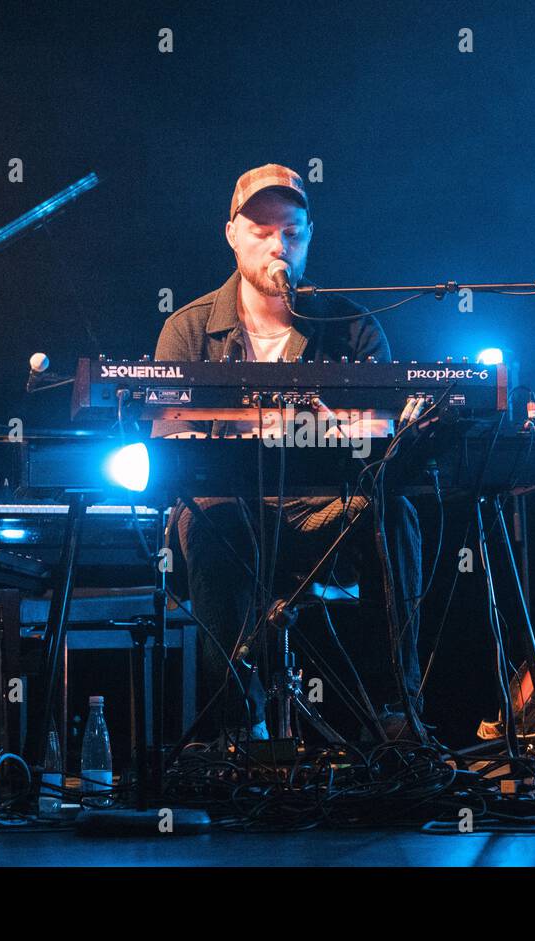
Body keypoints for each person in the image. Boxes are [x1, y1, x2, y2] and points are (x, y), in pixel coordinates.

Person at [154, 164, 424, 742]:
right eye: (262, 229)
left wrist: (344, 429)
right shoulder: (189, 327)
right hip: (230, 510)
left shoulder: (352, 326)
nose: (279, 244)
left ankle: (395, 714)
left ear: (308, 237)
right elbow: (169, 441)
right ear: (232, 234)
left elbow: (387, 443)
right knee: (210, 518)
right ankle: (237, 725)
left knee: (393, 515)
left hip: (320, 510)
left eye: (293, 231)